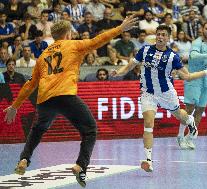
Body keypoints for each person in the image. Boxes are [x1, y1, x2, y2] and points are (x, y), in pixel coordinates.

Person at [3, 16, 138, 187]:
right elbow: (98, 40)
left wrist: (15, 106)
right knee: (90, 130)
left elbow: (30, 84)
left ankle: (24, 159)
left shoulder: (43, 54)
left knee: (38, 129)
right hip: (65, 95)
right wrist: (119, 29)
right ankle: (80, 165)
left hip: (45, 99)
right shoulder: (73, 45)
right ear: (67, 34)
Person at [111, 25, 207, 172]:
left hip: (167, 93)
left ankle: (191, 122)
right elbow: (129, 66)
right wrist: (118, 72)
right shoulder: (145, 50)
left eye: (164, 35)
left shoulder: (173, 57)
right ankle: (148, 160)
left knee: (180, 116)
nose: (160, 37)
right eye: (158, 34)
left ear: (168, 38)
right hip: (148, 93)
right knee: (148, 123)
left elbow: (187, 76)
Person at [177, 21, 207, 150]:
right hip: (193, 79)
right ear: (202, 29)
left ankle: (189, 138)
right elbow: (194, 56)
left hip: (206, 80)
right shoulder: (197, 43)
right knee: (189, 109)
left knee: (200, 110)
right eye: (206, 28)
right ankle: (180, 136)